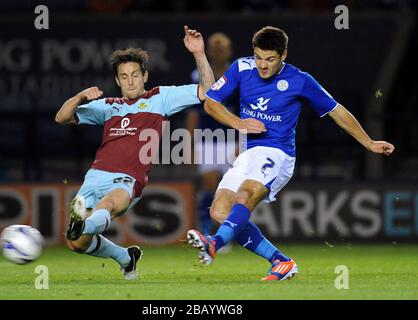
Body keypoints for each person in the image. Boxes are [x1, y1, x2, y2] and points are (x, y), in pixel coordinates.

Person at [186, 26, 395, 281]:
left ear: (283, 55)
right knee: (219, 212)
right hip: (248, 154)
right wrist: (237, 122)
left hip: (278, 154)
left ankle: (214, 244)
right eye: (259, 57)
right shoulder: (241, 68)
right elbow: (210, 102)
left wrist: (369, 142)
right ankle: (281, 262)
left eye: (270, 59)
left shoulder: (300, 80)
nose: (262, 65)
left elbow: (336, 111)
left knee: (244, 195)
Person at [55, 25, 214, 280]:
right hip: (95, 176)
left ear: (145, 76)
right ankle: (125, 257)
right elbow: (61, 117)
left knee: (108, 205)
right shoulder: (108, 106)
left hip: (127, 179)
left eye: (135, 75)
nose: (130, 81)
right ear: (117, 80)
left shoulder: (161, 98)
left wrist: (199, 53)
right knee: (76, 243)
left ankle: (83, 224)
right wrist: (80, 96)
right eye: (124, 76)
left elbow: (207, 91)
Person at [186, 32, 239, 237]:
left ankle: (225, 234)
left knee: (231, 189)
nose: (218, 53)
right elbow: (192, 113)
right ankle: (208, 231)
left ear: (229, 51)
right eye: (215, 49)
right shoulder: (197, 75)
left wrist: (243, 141)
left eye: (222, 49)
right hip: (208, 140)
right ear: (208, 52)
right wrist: (189, 145)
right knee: (210, 187)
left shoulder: (238, 75)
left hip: (232, 139)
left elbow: (244, 110)